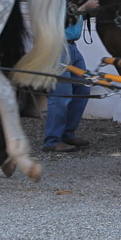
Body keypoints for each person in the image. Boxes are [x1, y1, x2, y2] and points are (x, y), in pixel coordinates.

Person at [43, 20, 92, 152]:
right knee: (61, 94)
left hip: (72, 46)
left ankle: (67, 134)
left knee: (83, 89)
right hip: (57, 45)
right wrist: (82, 7)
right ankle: (52, 141)